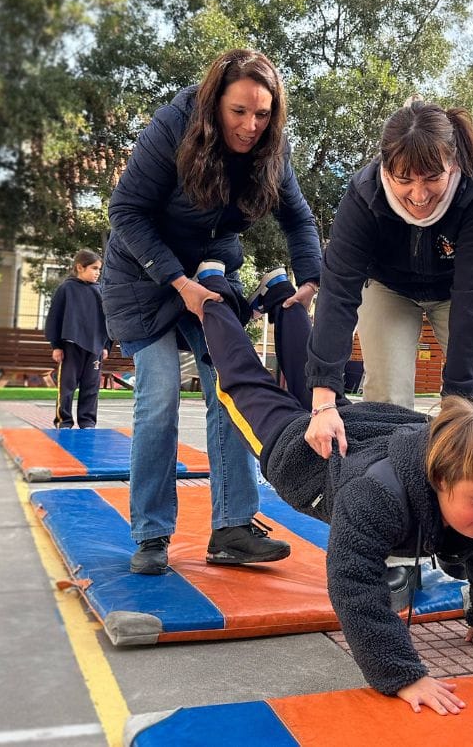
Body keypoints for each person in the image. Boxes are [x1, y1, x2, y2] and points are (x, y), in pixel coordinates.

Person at [194, 259, 473, 716]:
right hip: (297, 452)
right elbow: (354, 586)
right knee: (241, 379)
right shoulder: (377, 497)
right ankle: (212, 295)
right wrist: (402, 674)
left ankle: (281, 294)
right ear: (439, 479)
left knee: (305, 371)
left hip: (356, 428)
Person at [101, 48, 322, 575]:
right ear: (214, 102)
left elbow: (298, 219)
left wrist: (311, 277)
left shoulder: (271, 149)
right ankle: (151, 534)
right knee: (159, 397)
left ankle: (232, 528)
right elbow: (125, 211)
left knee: (231, 386)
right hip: (143, 275)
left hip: (208, 272)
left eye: (263, 114)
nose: (250, 125)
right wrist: (176, 282)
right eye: (238, 111)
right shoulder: (173, 127)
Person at [304, 98, 473, 460]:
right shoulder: (364, 193)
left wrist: (458, 403)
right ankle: (392, 480)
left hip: (458, 291)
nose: (419, 196)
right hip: (388, 286)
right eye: (404, 180)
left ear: (452, 164)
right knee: (387, 397)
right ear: (386, 170)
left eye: (433, 178)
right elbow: (338, 292)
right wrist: (323, 399)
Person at [45, 249, 110, 429]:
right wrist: (56, 346)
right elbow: (54, 318)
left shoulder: (100, 291)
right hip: (70, 347)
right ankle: (64, 421)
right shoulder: (66, 289)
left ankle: (87, 422)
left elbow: (107, 320)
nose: (98, 273)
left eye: (99, 269)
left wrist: (106, 345)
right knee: (66, 387)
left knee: (91, 387)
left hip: (95, 348)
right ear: (80, 267)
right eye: (94, 268)